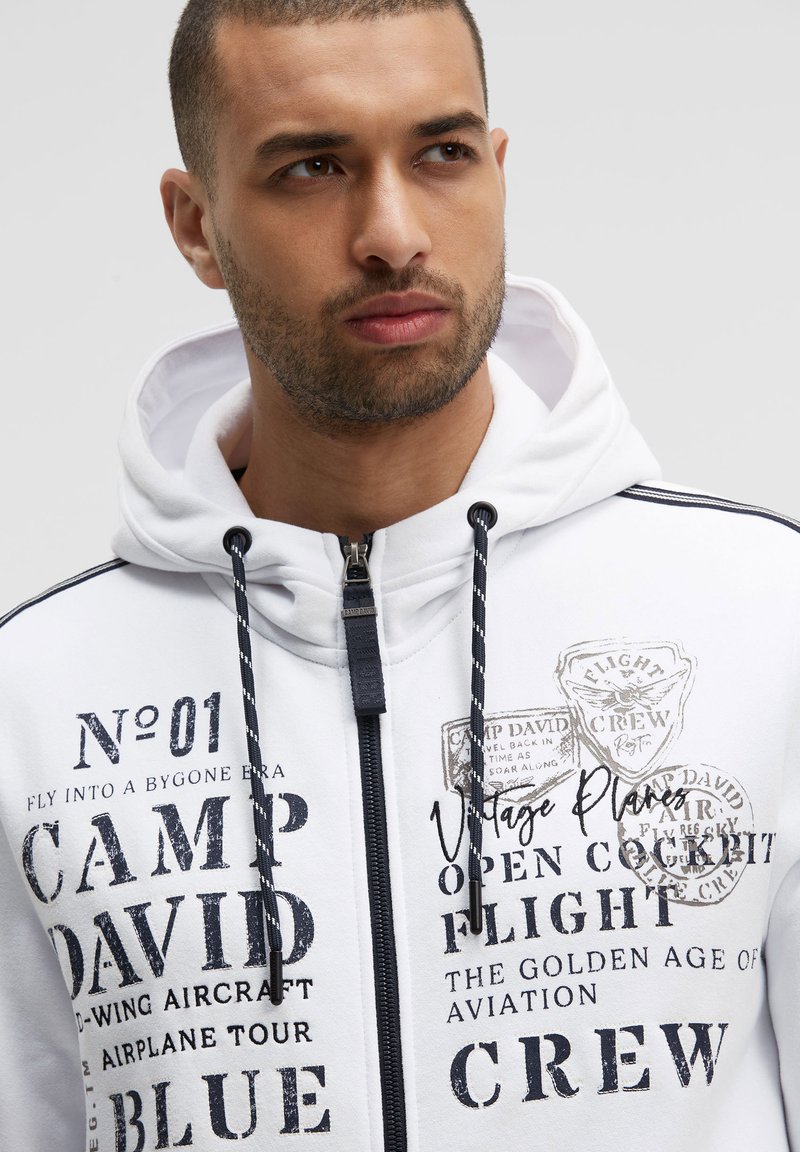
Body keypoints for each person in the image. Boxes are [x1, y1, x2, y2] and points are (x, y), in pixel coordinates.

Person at [1, 0, 799, 1148]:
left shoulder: (762, 616)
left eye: (440, 153)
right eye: (311, 167)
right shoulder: (30, 701)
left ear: (497, 171)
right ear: (195, 225)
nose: (391, 233)